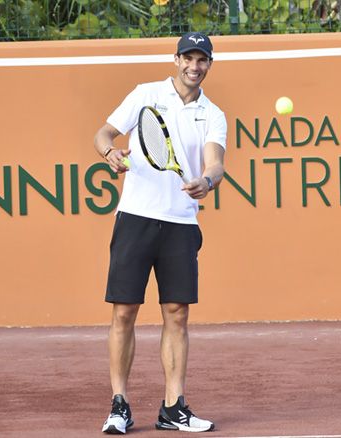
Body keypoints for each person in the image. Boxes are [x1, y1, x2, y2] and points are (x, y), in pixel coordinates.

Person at [93, 32, 226, 434]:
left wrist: (207, 181)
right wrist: (110, 152)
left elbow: (215, 162)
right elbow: (103, 135)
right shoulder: (146, 94)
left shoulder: (213, 114)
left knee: (177, 314)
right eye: (188, 58)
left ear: (208, 65)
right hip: (135, 216)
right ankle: (119, 405)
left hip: (181, 222)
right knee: (124, 312)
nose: (194, 66)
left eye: (202, 60)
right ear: (176, 59)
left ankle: (173, 407)